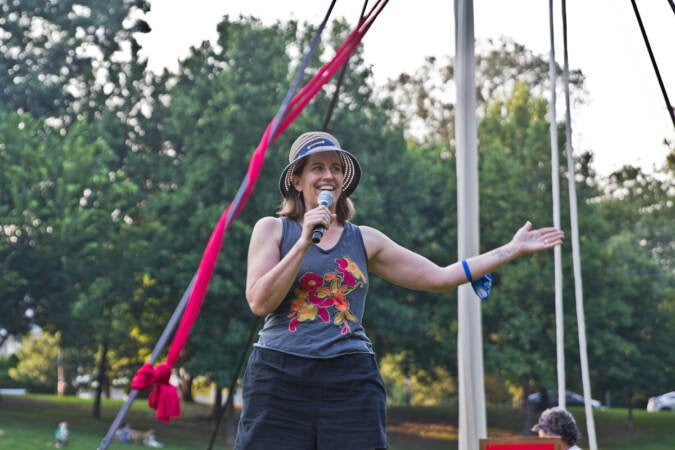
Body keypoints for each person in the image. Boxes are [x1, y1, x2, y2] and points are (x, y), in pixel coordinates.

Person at [235, 131, 565, 450]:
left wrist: (511, 249)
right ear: (296, 180)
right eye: (317, 168)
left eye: (335, 168)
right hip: (278, 377)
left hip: (350, 380)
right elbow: (259, 301)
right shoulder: (272, 229)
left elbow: (441, 276)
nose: (329, 176)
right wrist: (305, 242)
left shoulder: (365, 240)